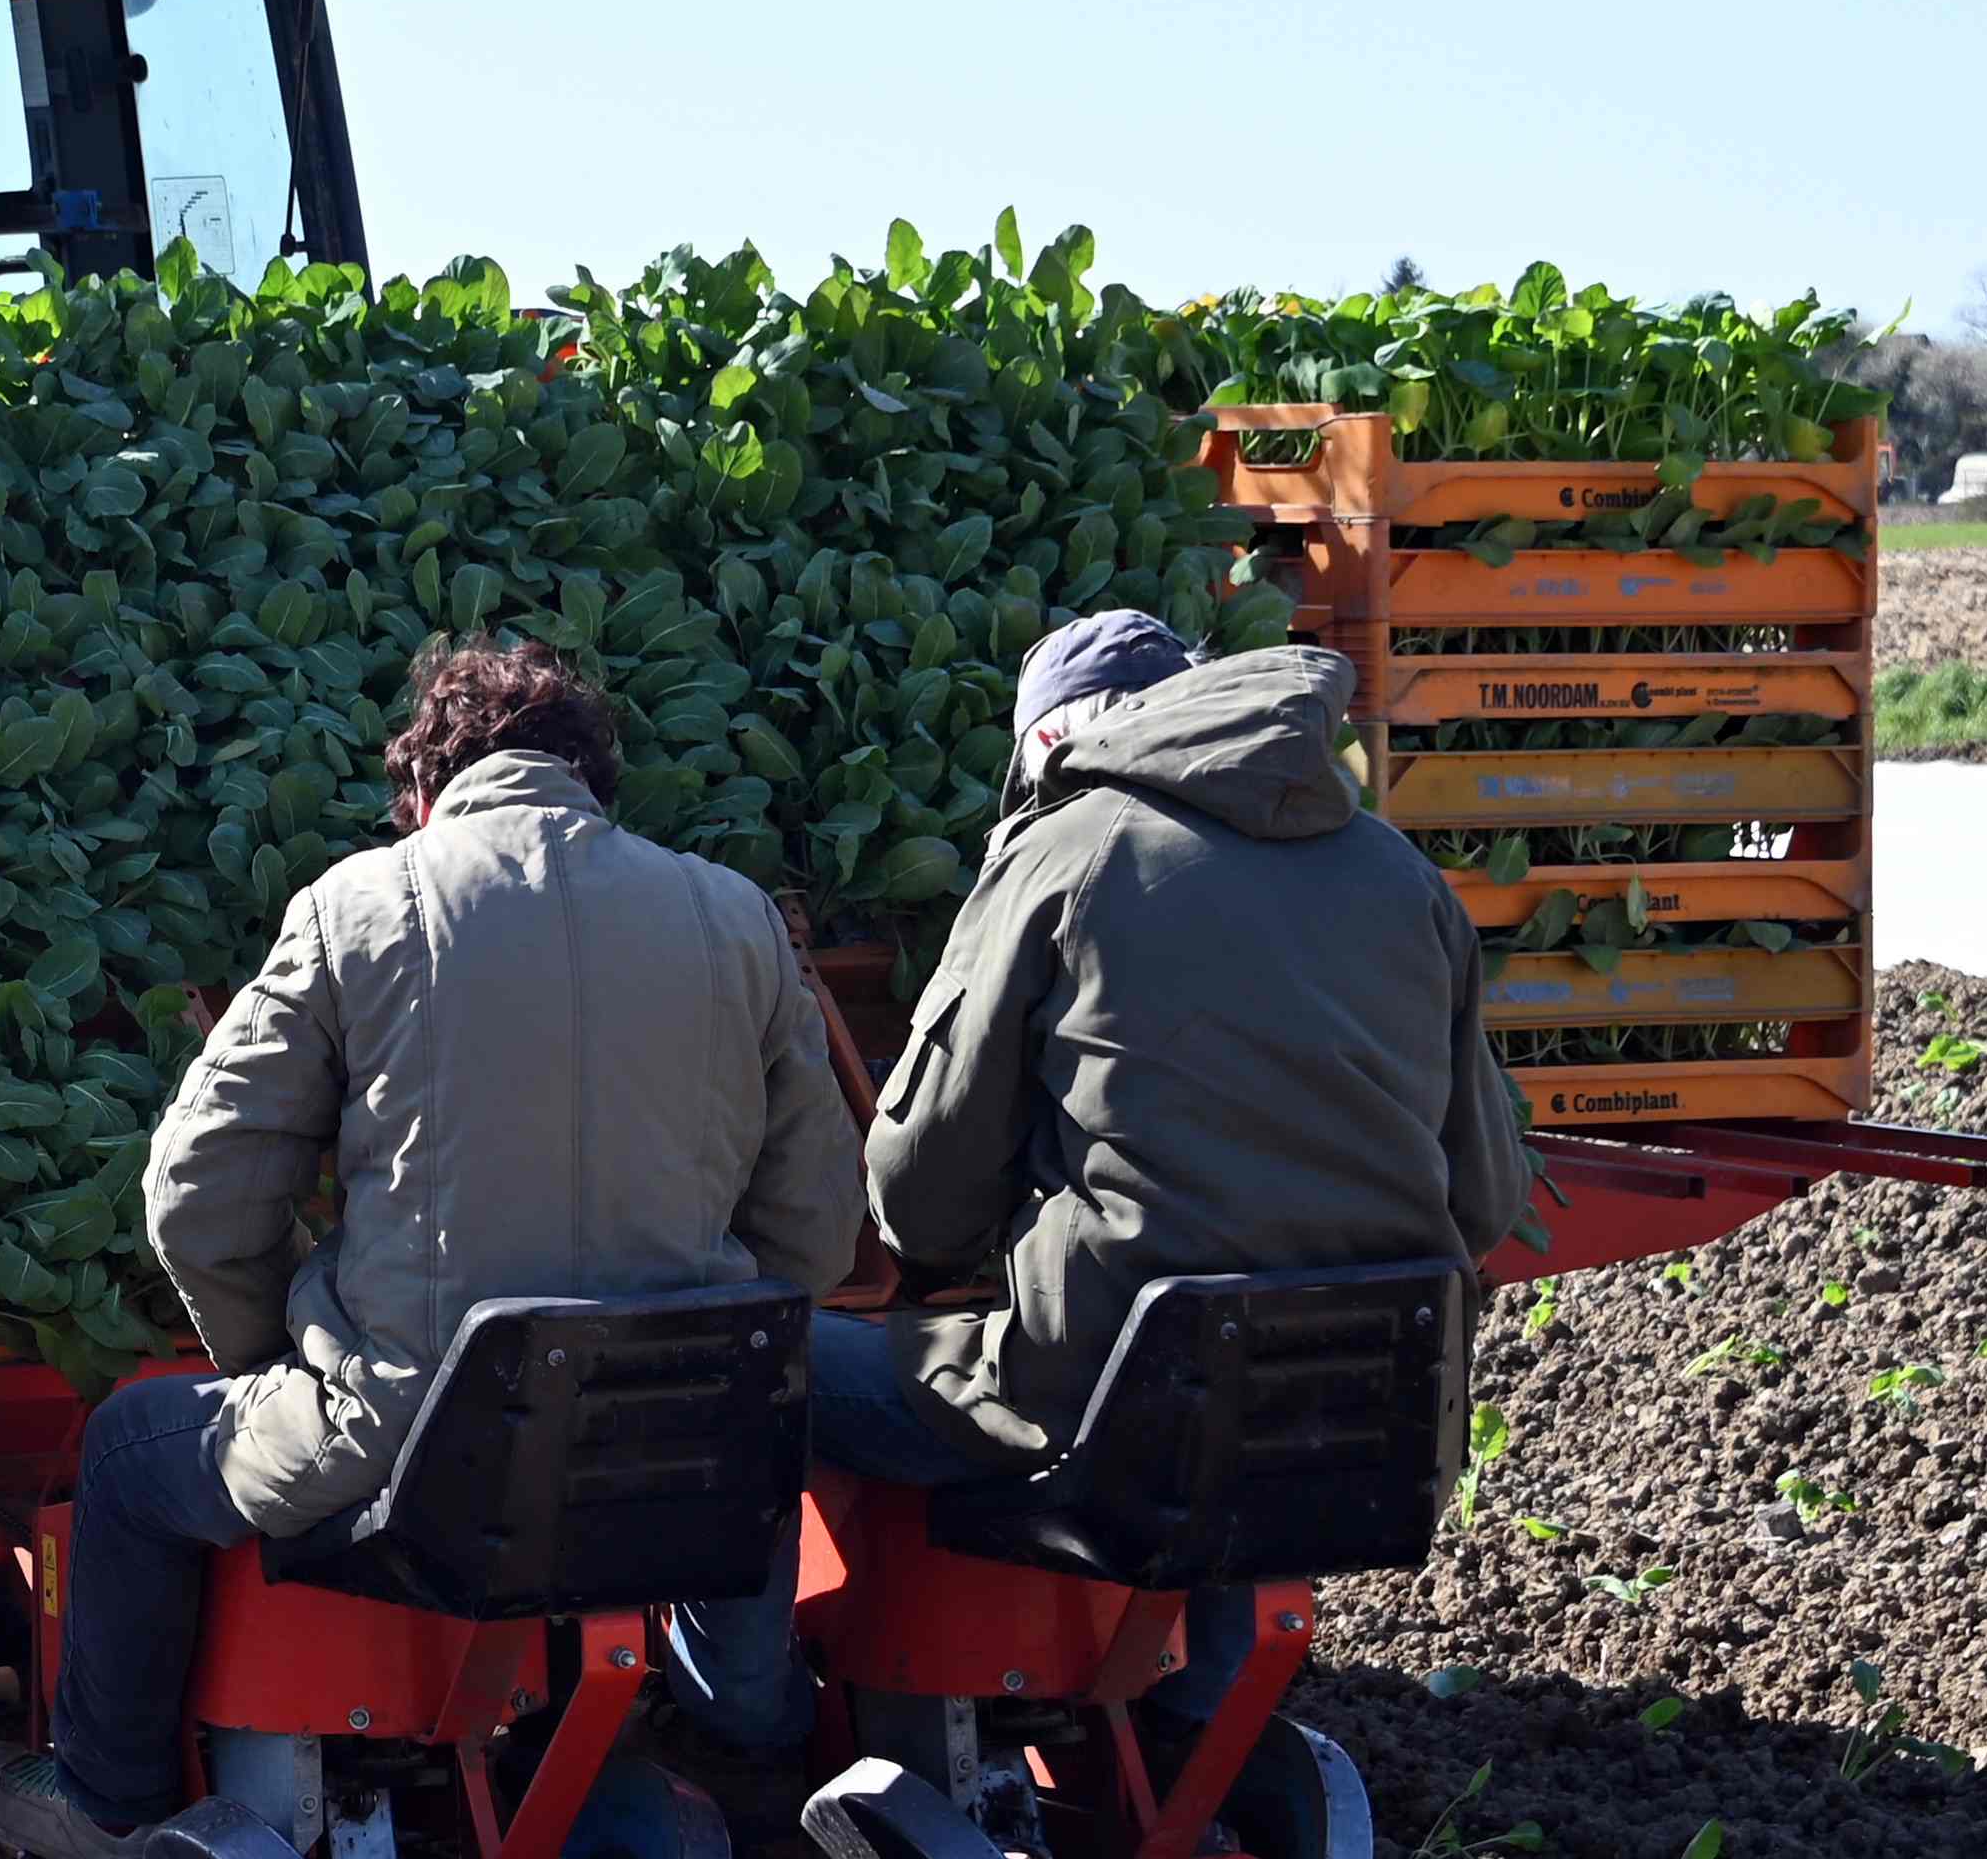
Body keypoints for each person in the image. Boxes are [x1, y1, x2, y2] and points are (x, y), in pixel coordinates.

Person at [0, 635, 870, 1859]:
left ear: (424, 794)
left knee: (124, 1455)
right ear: (595, 784)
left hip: (410, 1438)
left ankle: (113, 1814)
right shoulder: (734, 916)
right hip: (679, 1436)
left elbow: (196, 1189)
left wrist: (285, 1356)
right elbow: (820, 1231)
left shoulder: (361, 903)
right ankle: (750, 1752)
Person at [654, 606, 1536, 1754]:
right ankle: (1197, 1731)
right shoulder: (1401, 871)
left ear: (1052, 742)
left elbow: (921, 1200)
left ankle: (749, 1735)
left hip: (1104, 1404)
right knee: (1234, 1366)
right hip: (1369, 1404)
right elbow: (1487, 1199)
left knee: (770, 1370)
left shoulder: (1067, 853)